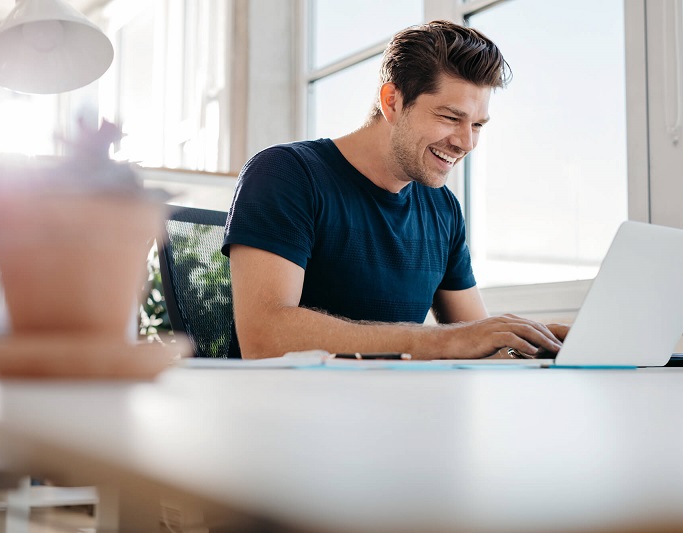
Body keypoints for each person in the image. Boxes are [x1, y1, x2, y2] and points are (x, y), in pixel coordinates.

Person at [222, 20, 568, 360]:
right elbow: (263, 338)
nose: (466, 142)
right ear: (392, 102)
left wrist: (532, 345)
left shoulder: (442, 208)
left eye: (477, 125)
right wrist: (440, 342)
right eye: (450, 117)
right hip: (287, 411)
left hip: (394, 408)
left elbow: (475, 341)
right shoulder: (286, 174)